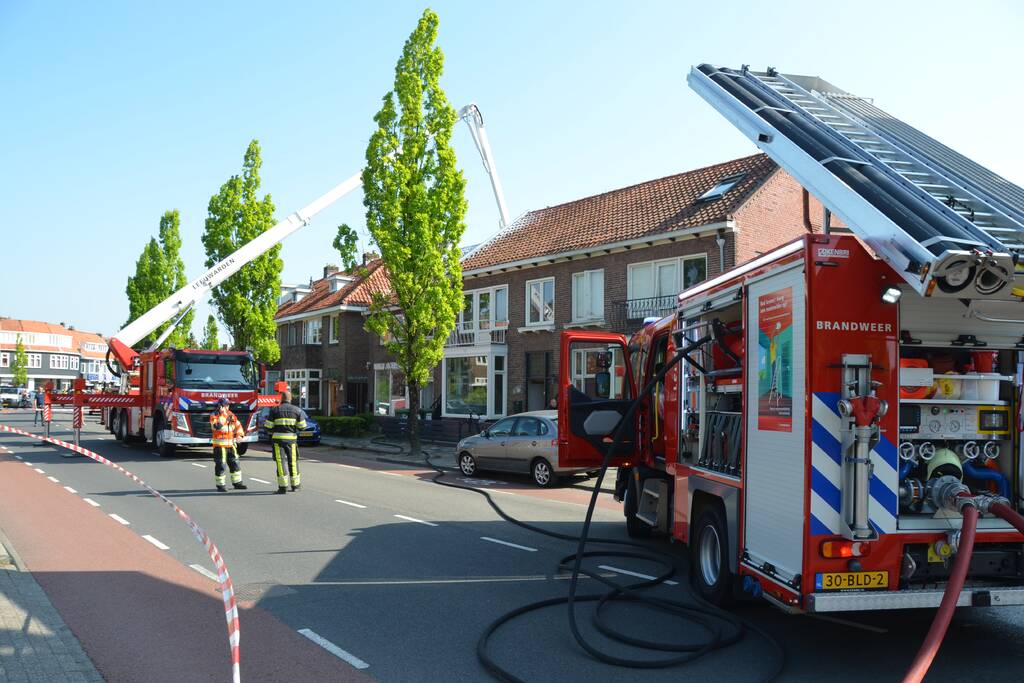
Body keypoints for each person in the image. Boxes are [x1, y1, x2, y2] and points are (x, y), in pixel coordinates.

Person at [264, 389, 306, 494]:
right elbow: (303, 426)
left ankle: (283, 488)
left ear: (281, 399)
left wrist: (274, 430)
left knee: (280, 462)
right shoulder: (297, 410)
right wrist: (294, 429)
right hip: (291, 441)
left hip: (278, 441)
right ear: (290, 399)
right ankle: (295, 486)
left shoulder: (274, 410)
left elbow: (268, 426)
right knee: (293, 462)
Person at [209, 397, 248, 493]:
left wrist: (240, 435)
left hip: (231, 445)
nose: (228, 406)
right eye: (226, 405)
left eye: (228, 405)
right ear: (221, 406)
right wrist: (224, 415)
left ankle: (237, 483)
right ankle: (220, 485)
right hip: (220, 446)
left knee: (235, 463)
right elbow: (216, 427)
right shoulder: (214, 415)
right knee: (221, 465)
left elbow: (238, 426)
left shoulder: (231, 415)